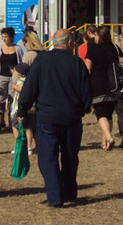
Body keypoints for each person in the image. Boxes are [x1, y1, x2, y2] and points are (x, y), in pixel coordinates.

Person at [17, 29, 92, 207]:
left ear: (53, 42)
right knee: (70, 157)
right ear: (71, 43)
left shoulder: (41, 61)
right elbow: (86, 91)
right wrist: (84, 108)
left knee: (47, 158)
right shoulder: (77, 63)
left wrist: (22, 109)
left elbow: (29, 88)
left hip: (47, 117)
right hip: (71, 117)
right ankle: (69, 191)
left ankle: (55, 196)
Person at [85, 26, 123, 150]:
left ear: (99, 36)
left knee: (100, 114)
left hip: (98, 84)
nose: (94, 37)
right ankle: (105, 142)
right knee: (109, 114)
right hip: (113, 84)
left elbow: (88, 68)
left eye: (95, 35)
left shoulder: (93, 49)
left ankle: (109, 137)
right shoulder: (113, 48)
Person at [0, 27, 23, 130]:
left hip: (13, 79)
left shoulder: (17, 49)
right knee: (0, 99)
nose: (4, 39)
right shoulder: (0, 49)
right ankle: (1, 120)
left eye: (6, 36)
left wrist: (17, 72)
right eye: (3, 37)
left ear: (11, 37)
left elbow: (21, 63)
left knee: (11, 99)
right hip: (2, 77)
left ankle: (11, 121)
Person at [10, 63, 35, 154]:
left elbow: (23, 90)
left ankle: (19, 146)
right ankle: (29, 147)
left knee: (15, 126)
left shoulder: (21, 81)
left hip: (20, 108)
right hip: (31, 108)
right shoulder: (31, 81)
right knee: (28, 127)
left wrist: (15, 87)